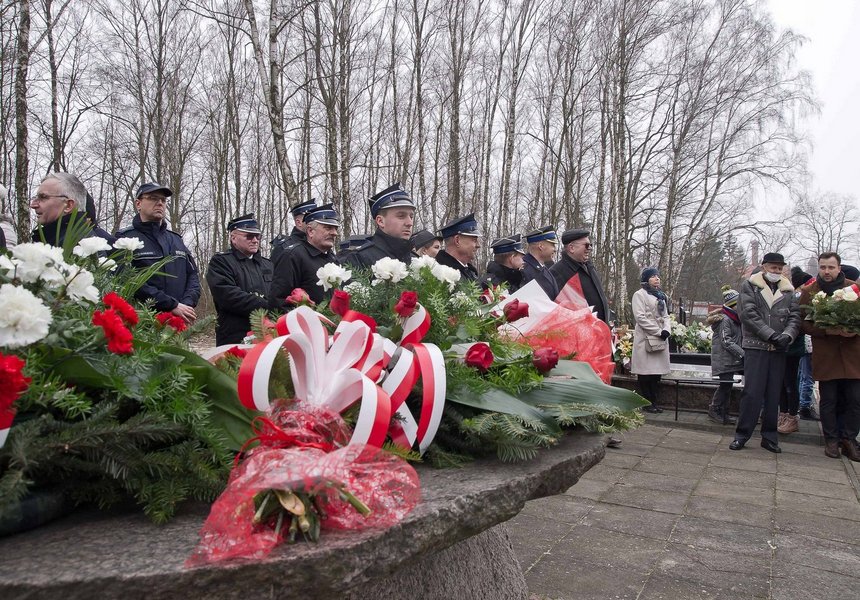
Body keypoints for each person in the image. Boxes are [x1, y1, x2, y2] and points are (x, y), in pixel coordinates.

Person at [729, 252, 801, 453]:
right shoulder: (749, 286)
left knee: (773, 395)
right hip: (756, 346)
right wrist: (770, 335)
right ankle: (742, 434)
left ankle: (769, 437)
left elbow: (795, 316)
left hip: (778, 348)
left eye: (779, 268)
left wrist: (787, 336)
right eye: (772, 267)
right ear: (764, 266)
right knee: (752, 393)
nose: (776, 271)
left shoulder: (788, 290)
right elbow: (748, 314)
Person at [798, 252, 860, 461]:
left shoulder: (853, 288)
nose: (826, 271)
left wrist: (853, 328)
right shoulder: (810, 291)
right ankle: (831, 440)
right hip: (827, 354)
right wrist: (825, 330)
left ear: (839, 268)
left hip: (853, 354)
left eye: (831, 267)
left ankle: (849, 439)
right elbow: (803, 322)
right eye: (823, 267)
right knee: (829, 400)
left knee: (854, 399)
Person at [116, 182, 200, 324]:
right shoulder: (125, 239)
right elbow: (129, 281)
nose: (160, 203)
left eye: (163, 200)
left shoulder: (176, 240)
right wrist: (171, 305)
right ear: (138, 204)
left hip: (179, 320)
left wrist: (186, 305)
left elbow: (192, 276)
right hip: (143, 322)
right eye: (153, 198)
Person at [205, 214, 273, 345]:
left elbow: (278, 291)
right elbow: (228, 296)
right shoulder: (221, 262)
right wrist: (268, 306)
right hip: (235, 334)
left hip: (266, 333)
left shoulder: (268, 264)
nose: (255, 240)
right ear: (233, 238)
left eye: (257, 236)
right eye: (249, 236)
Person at [269, 203, 341, 310]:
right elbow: (278, 301)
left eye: (335, 228)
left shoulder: (333, 259)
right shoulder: (292, 256)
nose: (334, 233)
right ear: (310, 231)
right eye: (328, 228)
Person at [29, 172, 115, 247]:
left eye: (43, 197)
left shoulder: (80, 246)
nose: (33, 205)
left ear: (68, 205)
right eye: (36, 197)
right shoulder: (59, 239)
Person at [343, 183, 415, 269]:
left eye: (411, 217)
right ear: (380, 221)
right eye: (401, 216)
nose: (409, 223)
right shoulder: (359, 259)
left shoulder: (415, 260)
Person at [630, 267, 671, 413]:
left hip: (660, 339)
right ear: (646, 279)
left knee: (656, 374)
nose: (657, 278)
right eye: (653, 276)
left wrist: (667, 330)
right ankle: (647, 402)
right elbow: (640, 318)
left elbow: (666, 316)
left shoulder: (661, 296)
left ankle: (654, 402)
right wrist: (659, 331)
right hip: (646, 338)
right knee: (645, 373)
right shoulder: (639, 295)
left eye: (658, 276)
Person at [550, 228, 611, 325]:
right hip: (579, 333)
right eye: (586, 245)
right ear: (571, 248)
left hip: (599, 330)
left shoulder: (589, 267)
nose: (590, 248)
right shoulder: (557, 272)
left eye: (590, 245)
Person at [706, 287, 742, 425]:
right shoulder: (726, 320)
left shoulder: (734, 319)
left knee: (727, 386)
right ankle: (715, 409)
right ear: (734, 305)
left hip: (730, 359)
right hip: (724, 359)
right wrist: (742, 354)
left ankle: (724, 413)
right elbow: (726, 341)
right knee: (725, 386)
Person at [791, 267, 818, 421]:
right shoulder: (803, 298)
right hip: (808, 343)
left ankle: (803, 404)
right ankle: (805, 406)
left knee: (803, 375)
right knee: (807, 376)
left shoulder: (797, 296)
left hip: (803, 343)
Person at [435, 213, 482, 282]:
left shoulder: (470, 272)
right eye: (474, 240)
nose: (478, 245)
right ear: (457, 240)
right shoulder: (439, 274)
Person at [270, 199, 316, 264]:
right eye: (310, 219)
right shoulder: (284, 247)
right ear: (299, 222)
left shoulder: (319, 244)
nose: (315, 223)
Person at [522, 226, 560, 299]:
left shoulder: (543, 268)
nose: (555, 249)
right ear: (541, 246)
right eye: (553, 245)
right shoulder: (524, 270)